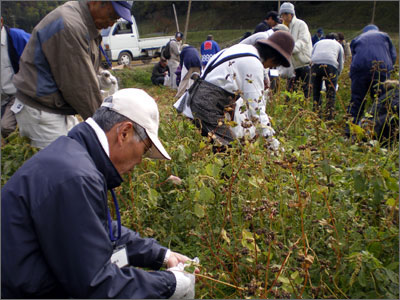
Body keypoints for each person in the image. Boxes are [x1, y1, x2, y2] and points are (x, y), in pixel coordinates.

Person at [2, 88, 197, 299]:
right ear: (124, 133)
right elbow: (97, 285)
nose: (141, 161)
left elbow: (97, 229)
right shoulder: (76, 177)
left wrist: (161, 255)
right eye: (145, 149)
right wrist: (171, 284)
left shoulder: (72, 156)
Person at [11, 1, 133, 149]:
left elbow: (81, 66)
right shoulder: (71, 26)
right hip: (42, 113)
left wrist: (100, 76)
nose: (111, 23)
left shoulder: (88, 22)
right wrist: (110, 132)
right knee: (60, 167)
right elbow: (81, 89)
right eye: (112, 15)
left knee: (74, 156)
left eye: (116, 19)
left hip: (56, 107)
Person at [175, 31, 294, 151]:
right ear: (273, 58)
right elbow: (256, 112)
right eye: (273, 64)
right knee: (230, 152)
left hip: (196, 99)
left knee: (218, 149)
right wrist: (272, 144)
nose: (268, 68)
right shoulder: (253, 64)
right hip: (206, 106)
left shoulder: (242, 49)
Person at [346, 24, 397, 127]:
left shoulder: (357, 38)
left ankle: (350, 131)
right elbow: (393, 55)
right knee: (381, 101)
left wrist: (353, 74)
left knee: (357, 100)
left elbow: (353, 56)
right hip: (381, 68)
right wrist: (389, 70)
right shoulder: (384, 36)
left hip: (360, 68)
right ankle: (375, 131)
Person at [0, 16, 30, 139]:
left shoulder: (16, 37)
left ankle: (21, 145)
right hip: (3, 97)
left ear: (1, 21)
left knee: (6, 127)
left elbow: (41, 52)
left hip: (17, 94)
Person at [279, 2, 313, 99]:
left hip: (304, 63)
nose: (284, 17)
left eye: (286, 14)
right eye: (282, 15)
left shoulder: (301, 24)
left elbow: (303, 41)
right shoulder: (284, 27)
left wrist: (289, 50)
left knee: (306, 90)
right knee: (289, 91)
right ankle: (289, 110)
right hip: (292, 65)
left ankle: (304, 111)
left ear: (291, 14)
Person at [311, 33, 344, 119]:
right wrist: (338, 74)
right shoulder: (338, 45)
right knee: (330, 92)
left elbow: (312, 55)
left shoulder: (318, 43)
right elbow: (341, 62)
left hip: (316, 64)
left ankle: (316, 114)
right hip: (331, 65)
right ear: (337, 40)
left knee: (316, 91)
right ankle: (329, 117)